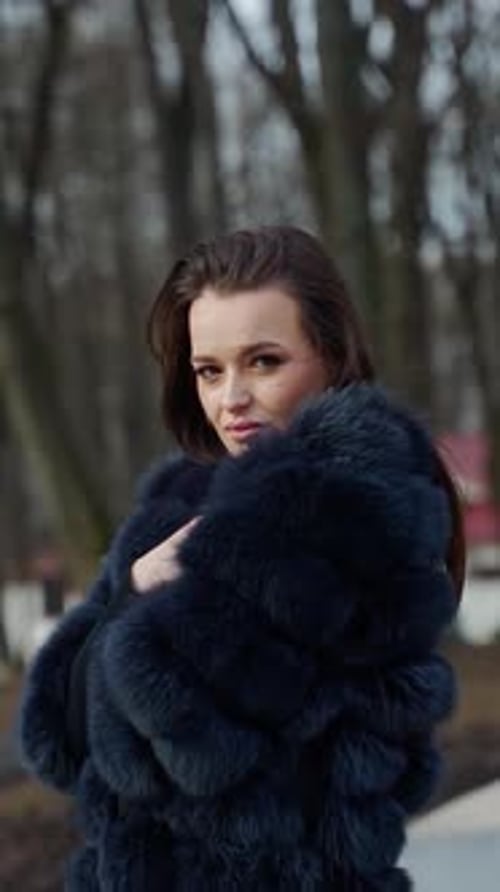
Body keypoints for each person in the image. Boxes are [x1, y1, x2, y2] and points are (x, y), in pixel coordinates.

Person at [20, 226, 464, 891]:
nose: (231, 399)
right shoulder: (183, 509)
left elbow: (174, 746)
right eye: (209, 369)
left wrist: (122, 616)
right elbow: (58, 734)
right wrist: (132, 592)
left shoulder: (351, 514)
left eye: (263, 361)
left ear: (331, 356)